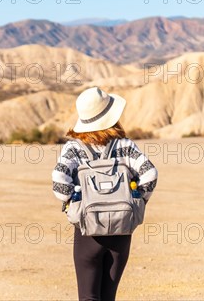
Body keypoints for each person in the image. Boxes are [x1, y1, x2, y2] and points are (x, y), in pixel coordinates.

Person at [51, 87, 158, 301]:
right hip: (121, 228)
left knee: (88, 297)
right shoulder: (125, 145)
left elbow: (59, 183)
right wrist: (138, 202)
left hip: (87, 231)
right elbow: (150, 174)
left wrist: (74, 203)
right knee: (109, 297)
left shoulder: (74, 148)